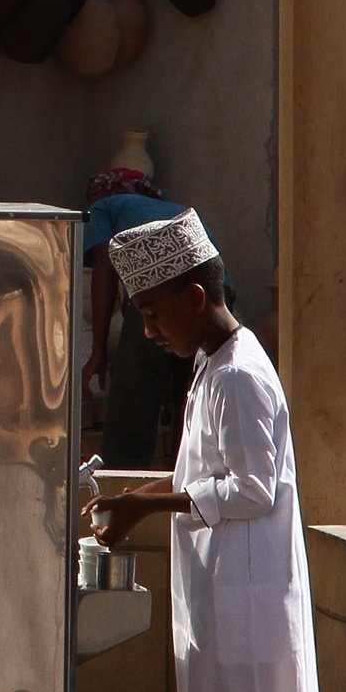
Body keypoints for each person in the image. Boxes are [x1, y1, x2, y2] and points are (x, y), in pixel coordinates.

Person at [83, 209, 342, 692]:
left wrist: (146, 502)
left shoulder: (241, 376)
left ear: (194, 298)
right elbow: (206, 473)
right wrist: (143, 497)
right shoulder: (210, 368)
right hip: (218, 602)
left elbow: (255, 490)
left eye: (154, 315)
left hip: (247, 606)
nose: (151, 333)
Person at [82, 168, 233, 469]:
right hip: (219, 292)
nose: (151, 331)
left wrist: (98, 350)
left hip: (167, 291)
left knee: (133, 407)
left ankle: (119, 483)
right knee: (192, 406)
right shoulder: (177, 209)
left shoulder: (103, 206)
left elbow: (104, 271)